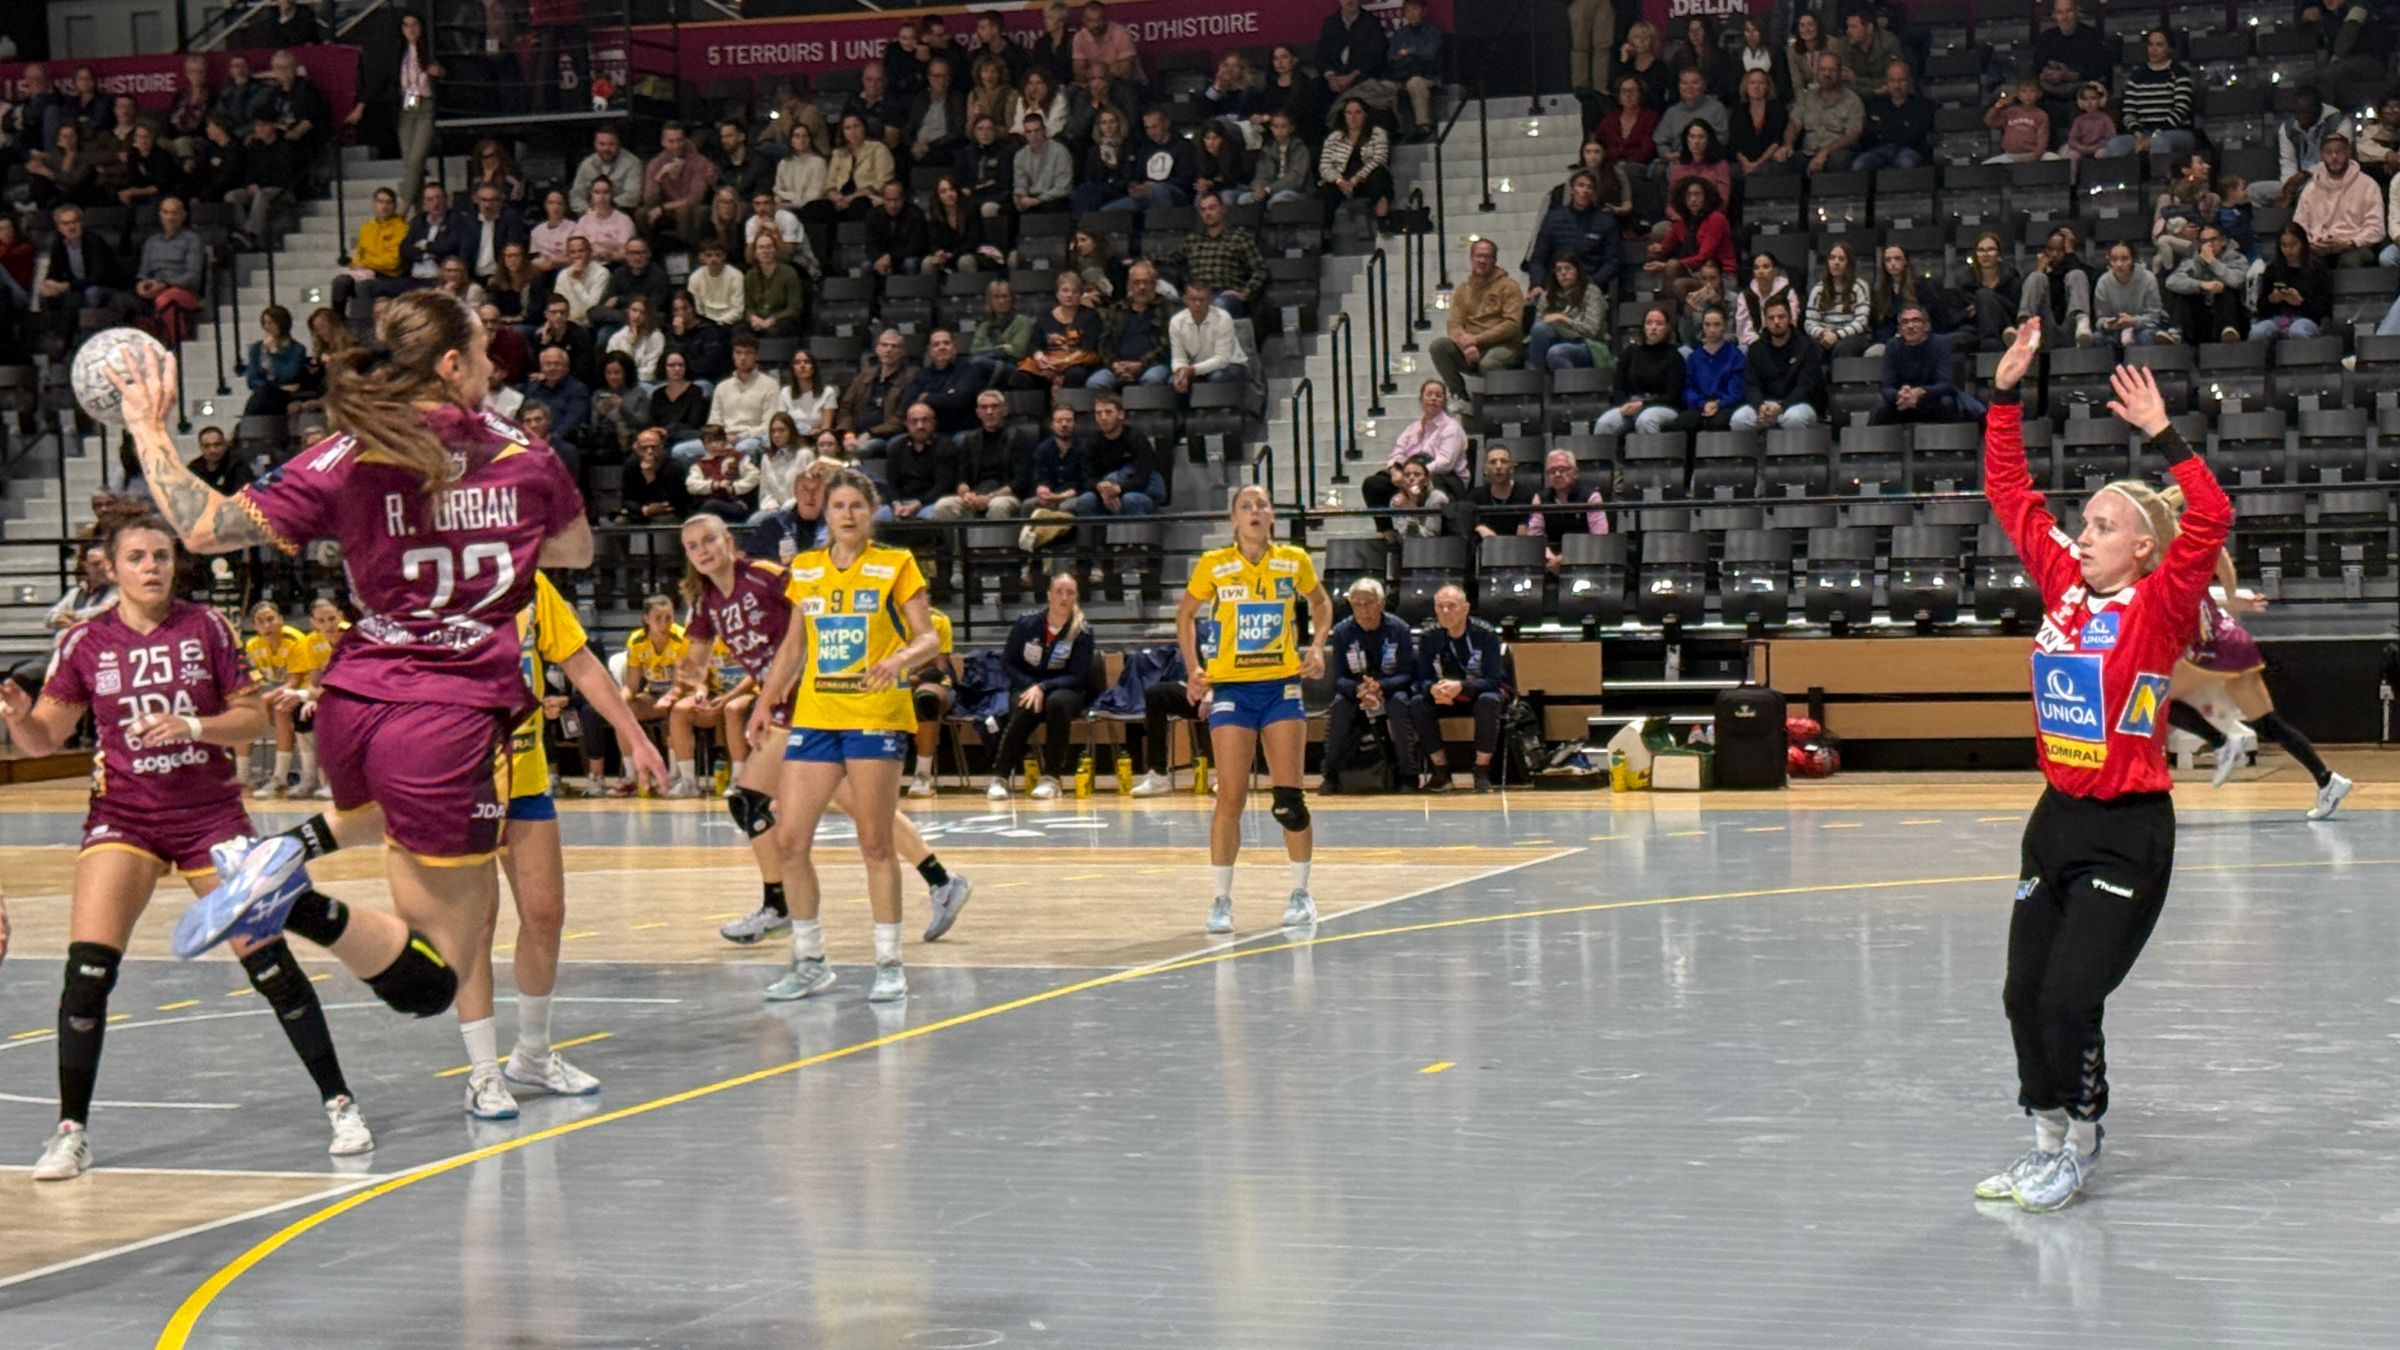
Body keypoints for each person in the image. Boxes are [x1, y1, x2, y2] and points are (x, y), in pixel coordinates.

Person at [110, 290, 596, 1084]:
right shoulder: (520, 453)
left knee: (382, 821)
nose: (491, 368)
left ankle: (294, 851)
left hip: (354, 705)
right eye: (481, 355)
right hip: (448, 714)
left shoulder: (343, 452)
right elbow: (572, 551)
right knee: (440, 970)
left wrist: (146, 428)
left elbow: (205, 528)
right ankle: (295, 899)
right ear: (450, 365)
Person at [3, 517, 376, 1179]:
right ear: (111, 568)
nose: (152, 567)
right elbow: (44, 742)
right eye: (137, 557)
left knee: (267, 960)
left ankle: (341, 1104)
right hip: (125, 817)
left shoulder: (206, 627)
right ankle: (70, 1131)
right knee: (87, 972)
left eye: (162, 556)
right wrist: (17, 719)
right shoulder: (86, 642)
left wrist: (192, 723)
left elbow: (256, 716)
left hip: (209, 817)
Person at [1975, 324, 2230, 1213]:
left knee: (2069, 997)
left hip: (2128, 834)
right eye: (2083, 523)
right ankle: (2043, 1139)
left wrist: (2165, 437)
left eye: (2103, 525)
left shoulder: (2159, 608)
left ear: (2143, 549)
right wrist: (2004, 395)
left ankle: (2081, 1141)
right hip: (2058, 818)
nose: (2082, 535)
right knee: (2020, 994)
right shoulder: (2063, 587)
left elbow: (2213, 518)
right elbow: (2009, 491)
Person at [687, 511, 972, 947]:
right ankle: (942, 880)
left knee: (748, 801)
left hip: (811, 698)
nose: (703, 551)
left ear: (728, 540)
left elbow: (812, 613)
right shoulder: (707, 602)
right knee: (859, 806)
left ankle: (778, 906)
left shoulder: (765, 576)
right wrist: (698, 689)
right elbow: (702, 659)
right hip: (785, 701)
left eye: (709, 540)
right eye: (693, 546)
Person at [742, 470, 942, 1000]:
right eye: (838, 506)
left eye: (856, 505)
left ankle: (889, 963)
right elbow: (793, 648)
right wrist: (765, 703)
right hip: (816, 714)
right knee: (789, 839)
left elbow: (929, 639)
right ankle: (810, 960)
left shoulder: (896, 565)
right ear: (825, 514)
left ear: (871, 511)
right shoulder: (805, 569)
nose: (847, 514)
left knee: (874, 842)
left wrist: (898, 658)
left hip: (875, 713)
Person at [1178, 484, 1331, 934]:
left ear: (1271, 517)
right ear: (1234, 519)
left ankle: (1301, 894)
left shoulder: (1294, 560)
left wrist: (1318, 645)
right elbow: (1186, 614)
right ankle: (1221, 900)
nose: (1255, 512)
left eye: (1262, 505)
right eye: (1246, 506)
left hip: (1281, 685)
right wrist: (1193, 668)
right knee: (1230, 796)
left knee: (1288, 798)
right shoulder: (1215, 565)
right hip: (1232, 689)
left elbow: (1320, 602)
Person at [2165, 524, 2351, 819]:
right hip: (2235, 641)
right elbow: (2217, 560)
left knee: (2159, 696)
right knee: (2267, 723)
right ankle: (2326, 779)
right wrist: (2231, 596)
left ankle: (2223, 741)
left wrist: (2229, 594)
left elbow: (2217, 555)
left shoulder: (2167, 565)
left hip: (2215, 647)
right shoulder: (2186, 562)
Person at [983, 572, 1097, 800]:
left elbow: (1078, 674)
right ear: (1049, 595)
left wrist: (1044, 687)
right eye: (1059, 592)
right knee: (1026, 706)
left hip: (1066, 690)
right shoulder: (1026, 624)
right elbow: (1009, 663)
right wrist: (1031, 686)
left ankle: (1051, 777)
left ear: (1076, 597)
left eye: (1070, 592)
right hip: (1028, 685)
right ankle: (1000, 776)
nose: (1064, 597)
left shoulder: (1082, 631)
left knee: (1056, 704)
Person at [1322, 577, 1421, 793]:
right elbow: (1339, 677)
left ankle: (1408, 775)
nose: (1363, 609)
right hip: (1356, 692)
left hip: (1392, 690)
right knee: (1339, 706)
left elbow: (1408, 673)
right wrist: (1359, 690)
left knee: (1399, 704)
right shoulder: (1342, 632)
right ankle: (1330, 774)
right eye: (1357, 603)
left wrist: (1380, 687)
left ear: (1381, 603)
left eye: (1368, 603)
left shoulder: (1399, 629)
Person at [1406, 585, 1508, 793]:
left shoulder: (1485, 634)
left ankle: (1481, 770)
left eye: (1451, 606)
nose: (1445, 612)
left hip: (1478, 693)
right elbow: (1422, 678)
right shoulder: (1429, 636)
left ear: (1465, 608)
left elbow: (1493, 680)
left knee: (1489, 701)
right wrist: (1432, 689)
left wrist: (1462, 686)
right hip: (1443, 696)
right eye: (1440, 607)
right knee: (1417, 703)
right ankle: (1441, 772)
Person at [1364, 380, 1468, 535]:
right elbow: (1398, 452)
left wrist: (1417, 475)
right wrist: (1396, 472)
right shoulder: (1412, 428)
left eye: (1438, 395)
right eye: (1429, 395)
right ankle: (1390, 534)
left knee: (1428, 485)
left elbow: (1445, 463)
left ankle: (1426, 533)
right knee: (1374, 484)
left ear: (1444, 401)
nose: (1433, 398)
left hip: (1443, 478)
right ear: (1421, 399)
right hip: (1411, 473)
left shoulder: (1452, 428)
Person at [1429, 239, 1525, 401]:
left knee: (1489, 363)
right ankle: (1459, 396)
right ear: (1471, 258)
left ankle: (1499, 402)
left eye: (1487, 256)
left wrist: (1476, 340)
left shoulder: (1509, 286)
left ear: (1494, 260)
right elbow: (1454, 323)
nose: (1482, 260)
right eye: (1478, 256)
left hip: (1504, 345)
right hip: (1470, 347)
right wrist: (1464, 344)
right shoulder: (1463, 289)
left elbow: (1512, 324)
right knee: (1439, 347)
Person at [1874, 305, 1981, 425]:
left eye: (1916, 320)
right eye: (1905, 322)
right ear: (1899, 329)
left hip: (1931, 400)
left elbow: (1946, 384)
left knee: (1947, 402)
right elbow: (1886, 386)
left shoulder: (1940, 344)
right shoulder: (1892, 346)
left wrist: (1920, 392)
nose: (1911, 326)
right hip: (1902, 401)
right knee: (1882, 406)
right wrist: (1899, 394)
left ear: (1927, 326)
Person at [2291, 132, 2385, 268]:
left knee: (2350, 261)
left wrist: (2349, 243)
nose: (2334, 157)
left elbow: (2376, 228)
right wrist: (2310, 244)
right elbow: (2299, 226)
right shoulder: (2310, 188)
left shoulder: (2368, 185)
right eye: (2329, 152)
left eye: (2339, 151)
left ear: (2348, 153)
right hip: (2318, 246)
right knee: (2304, 262)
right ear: (2322, 156)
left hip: (2354, 246)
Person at [1732, 297, 1826, 432]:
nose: (1776, 322)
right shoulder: (1756, 349)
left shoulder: (1806, 346)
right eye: (1771, 318)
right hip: (1765, 406)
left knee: (1794, 418)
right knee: (1739, 419)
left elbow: (1806, 387)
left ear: (1790, 318)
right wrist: (1759, 406)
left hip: (1798, 404)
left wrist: (1782, 405)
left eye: (1781, 317)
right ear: (1765, 321)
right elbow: (1751, 384)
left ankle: (1796, 453)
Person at [1525, 171, 1624, 300]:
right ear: (1572, 189)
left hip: (1591, 288)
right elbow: (1538, 258)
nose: (1585, 190)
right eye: (1581, 185)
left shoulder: (1606, 221)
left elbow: (1613, 261)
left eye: (1589, 187)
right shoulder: (1553, 218)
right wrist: (1537, 284)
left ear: (1594, 192)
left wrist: (1591, 284)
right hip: (1556, 286)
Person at [1596, 305, 1686, 435]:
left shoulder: (1674, 356)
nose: (1653, 327)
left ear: (1667, 328)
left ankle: (1650, 455)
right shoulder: (1631, 352)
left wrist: (1643, 404)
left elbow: (1673, 396)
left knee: (1646, 420)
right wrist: (1624, 405)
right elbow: (1619, 387)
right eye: (1649, 323)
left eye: (1659, 324)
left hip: (1663, 406)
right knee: (1605, 423)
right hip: (1631, 404)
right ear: (1644, 327)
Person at [1524, 450, 1609, 568]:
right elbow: (1535, 536)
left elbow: (1599, 536)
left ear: (1575, 472)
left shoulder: (1591, 497)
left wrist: (1566, 557)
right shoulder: (1540, 499)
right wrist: (1551, 559)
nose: (1557, 474)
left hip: (1585, 558)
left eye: (1562, 470)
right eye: (1552, 471)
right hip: (1550, 563)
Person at [1527, 255, 1611, 373]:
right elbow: (1539, 328)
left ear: (1578, 271)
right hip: (1556, 340)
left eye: (1568, 268)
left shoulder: (1591, 292)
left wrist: (1564, 319)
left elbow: (1592, 330)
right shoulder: (1547, 296)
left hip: (1588, 344)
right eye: (1559, 270)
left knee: (1556, 352)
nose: (1563, 273)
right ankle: (1537, 381)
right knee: (1539, 329)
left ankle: (1573, 390)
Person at [1318, 97, 1394, 228]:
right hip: (1342, 178)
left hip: (1366, 178)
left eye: (1357, 112)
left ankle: (1383, 222)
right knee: (1326, 191)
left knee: (1379, 176)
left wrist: (1357, 178)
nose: (1353, 117)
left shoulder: (1377, 133)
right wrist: (1339, 181)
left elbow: (1379, 159)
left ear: (1365, 114)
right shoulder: (1334, 137)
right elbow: (1324, 166)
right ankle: (1325, 235)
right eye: (1349, 113)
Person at [2165, 226, 2248, 344]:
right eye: (2204, 241)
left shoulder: (2237, 258)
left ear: (2223, 241)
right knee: (2183, 291)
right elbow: (2171, 281)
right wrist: (2201, 285)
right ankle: (2177, 332)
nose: (2209, 244)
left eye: (2213, 239)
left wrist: (2212, 262)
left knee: (2225, 288)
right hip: (2202, 318)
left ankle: (2228, 330)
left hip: (2233, 317)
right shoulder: (2193, 261)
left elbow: (2237, 281)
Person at [2250, 223, 2331, 344]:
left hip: (2306, 318)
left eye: (2293, 245)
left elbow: (2324, 309)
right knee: (2257, 332)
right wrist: (2272, 300)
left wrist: (2301, 302)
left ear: (2302, 244)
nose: (2288, 250)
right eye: (2284, 245)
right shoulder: (2272, 269)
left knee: (2298, 332)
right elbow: (2260, 307)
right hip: (2276, 318)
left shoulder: (2316, 269)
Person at [1785, 52, 1863, 175]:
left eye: (1831, 70)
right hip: (1809, 152)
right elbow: (1794, 124)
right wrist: (1788, 145)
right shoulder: (1806, 97)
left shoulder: (1852, 100)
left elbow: (1852, 135)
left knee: (1838, 159)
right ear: (1816, 73)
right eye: (1823, 70)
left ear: (1839, 72)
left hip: (1837, 152)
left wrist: (1825, 152)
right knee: (1785, 161)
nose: (1827, 74)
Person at [1853, 61, 1933, 175]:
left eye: (1901, 81)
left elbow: (1914, 136)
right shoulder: (1875, 105)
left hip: (1907, 150)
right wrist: (1901, 126)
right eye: (1892, 81)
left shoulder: (1921, 106)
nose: (1896, 85)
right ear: (1887, 83)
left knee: (1907, 163)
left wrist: (1883, 128)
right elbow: (1869, 132)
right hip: (1878, 150)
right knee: (1858, 165)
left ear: (1909, 82)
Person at [1167, 279, 1245, 393]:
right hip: (1195, 366)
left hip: (1230, 364)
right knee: (1174, 381)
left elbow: (1222, 359)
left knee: (1217, 377)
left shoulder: (1223, 318)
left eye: (1202, 300)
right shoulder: (1176, 321)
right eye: (1193, 300)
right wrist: (1180, 371)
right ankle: (1185, 410)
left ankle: (1222, 410)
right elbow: (1178, 357)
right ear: (1185, 300)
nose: (1197, 304)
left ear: (1210, 300)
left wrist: (1192, 370)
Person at [1674, 306, 1743, 432]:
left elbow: (1736, 390)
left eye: (1717, 324)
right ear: (1703, 327)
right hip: (1700, 405)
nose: (1712, 329)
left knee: (1718, 423)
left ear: (1725, 326)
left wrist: (1719, 404)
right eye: (1707, 325)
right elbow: (1688, 388)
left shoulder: (1735, 355)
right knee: (1683, 423)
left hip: (1725, 405)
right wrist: (1702, 404)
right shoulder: (1694, 357)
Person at [2092, 242, 2167, 351]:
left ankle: (2146, 367)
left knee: (2145, 335)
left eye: (2125, 259)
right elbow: (2100, 319)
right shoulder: (2103, 282)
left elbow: (2154, 317)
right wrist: (2105, 324)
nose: (2119, 264)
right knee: (2098, 337)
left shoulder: (2148, 279)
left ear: (2133, 259)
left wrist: (2133, 321)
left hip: (2142, 328)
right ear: (2109, 261)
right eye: (2114, 259)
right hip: (2115, 330)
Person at [1986, 78, 2057, 165]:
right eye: (2024, 91)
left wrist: (2035, 156)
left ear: (2039, 94)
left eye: (2032, 91)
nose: (2028, 95)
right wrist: (1998, 106)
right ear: (2018, 95)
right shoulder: (2010, 112)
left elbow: (2043, 138)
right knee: (1986, 165)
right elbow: (1990, 121)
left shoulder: (2041, 115)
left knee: (2055, 159)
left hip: (2032, 154)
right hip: (2010, 155)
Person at [1835, 9, 1903, 89]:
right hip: (1856, 96)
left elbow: (1892, 81)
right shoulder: (1843, 45)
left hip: (1887, 96)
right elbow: (1845, 84)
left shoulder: (1889, 43)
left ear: (1869, 28)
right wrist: (1873, 92)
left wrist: (1856, 79)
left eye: (1853, 27)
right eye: (1848, 26)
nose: (1848, 31)